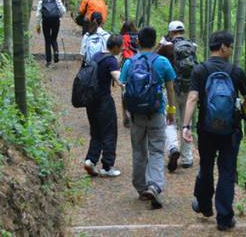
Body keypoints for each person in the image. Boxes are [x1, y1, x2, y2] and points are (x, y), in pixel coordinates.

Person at [182, 31, 246, 231]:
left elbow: (192, 98)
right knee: (227, 171)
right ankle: (224, 218)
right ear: (223, 47)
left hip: (206, 129)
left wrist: (185, 126)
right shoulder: (236, 72)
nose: (231, 49)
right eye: (230, 46)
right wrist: (240, 112)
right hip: (230, 130)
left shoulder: (200, 70)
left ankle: (204, 206)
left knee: (206, 166)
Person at [120, 26, 177, 210]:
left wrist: (126, 113)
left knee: (138, 151)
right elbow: (170, 88)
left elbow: (124, 88)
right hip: (156, 113)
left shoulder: (129, 62)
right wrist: (171, 110)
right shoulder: (162, 62)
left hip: (136, 114)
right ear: (154, 43)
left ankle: (140, 187)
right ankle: (154, 185)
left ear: (138, 41)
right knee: (157, 151)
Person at [158, 21, 198, 172]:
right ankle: (187, 158)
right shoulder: (193, 46)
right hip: (190, 91)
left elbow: (154, 57)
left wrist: (162, 43)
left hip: (172, 89)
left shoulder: (167, 47)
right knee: (186, 123)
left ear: (170, 32)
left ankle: (173, 147)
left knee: (170, 120)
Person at [83, 34, 125, 178]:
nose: (122, 49)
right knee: (109, 132)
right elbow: (119, 80)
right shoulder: (111, 60)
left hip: (90, 101)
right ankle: (107, 166)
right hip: (104, 101)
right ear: (115, 47)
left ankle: (90, 160)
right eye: (121, 47)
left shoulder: (96, 56)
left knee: (96, 132)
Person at [35, 0, 66, 67]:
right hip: (56, 21)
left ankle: (48, 61)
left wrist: (38, 26)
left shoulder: (41, 1)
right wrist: (60, 16)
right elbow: (63, 11)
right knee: (54, 38)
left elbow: (38, 15)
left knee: (47, 40)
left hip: (46, 22)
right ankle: (56, 52)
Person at [119, 21, 139, 128]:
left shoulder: (123, 37)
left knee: (125, 90)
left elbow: (120, 51)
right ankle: (136, 115)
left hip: (127, 64)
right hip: (139, 64)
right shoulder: (139, 36)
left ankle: (126, 118)